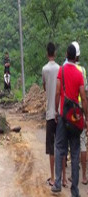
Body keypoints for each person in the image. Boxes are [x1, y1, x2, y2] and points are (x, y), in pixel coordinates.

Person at [51, 44, 88, 195]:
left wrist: (55, 111)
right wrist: (86, 117)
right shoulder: (80, 74)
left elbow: (58, 90)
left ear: (67, 54)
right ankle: (75, 190)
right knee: (75, 153)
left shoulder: (62, 70)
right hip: (75, 118)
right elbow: (84, 98)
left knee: (60, 149)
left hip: (63, 117)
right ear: (76, 57)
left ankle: (58, 183)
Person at [42, 42, 60, 187]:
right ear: (55, 52)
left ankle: (53, 178)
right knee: (61, 145)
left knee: (51, 147)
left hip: (49, 113)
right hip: (59, 113)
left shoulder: (45, 69)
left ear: (47, 53)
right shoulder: (60, 69)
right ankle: (63, 178)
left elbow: (44, 86)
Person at [72, 41, 88, 185]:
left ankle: (73, 174)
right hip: (81, 110)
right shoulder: (82, 70)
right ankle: (84, 176)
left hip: (71, 111)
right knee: (82, 143)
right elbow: (85, 95)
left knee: (73, 143)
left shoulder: (67, 69)